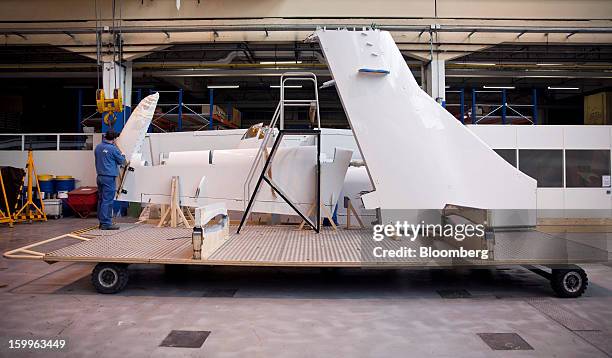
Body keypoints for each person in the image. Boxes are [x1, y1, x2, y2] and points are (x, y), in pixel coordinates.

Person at [94, 131, 127, 230]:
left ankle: (102, 221)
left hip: (100, 177)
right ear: (114, 139)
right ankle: (106, 223)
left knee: (101, 200)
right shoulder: (113, 149)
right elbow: (122, 161)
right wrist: (123, 154)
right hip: (109, 177)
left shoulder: (98, 147)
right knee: (107, 200)